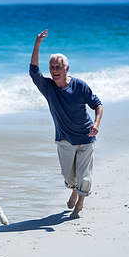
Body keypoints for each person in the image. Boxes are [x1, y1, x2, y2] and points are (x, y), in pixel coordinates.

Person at [29, 29, 103, 218]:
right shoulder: (48, 87)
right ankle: (74, 189)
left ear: (66, 69)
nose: (54, 70)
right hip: (64, 139)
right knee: (68, 175)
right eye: (52, 67)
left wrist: (96, 124)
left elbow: (98, 105)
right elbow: (33, 71)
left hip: (86, 137)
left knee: (84, 174)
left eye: (58, 67)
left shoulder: (80, 86)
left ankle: (80, 205)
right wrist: (37, 45)